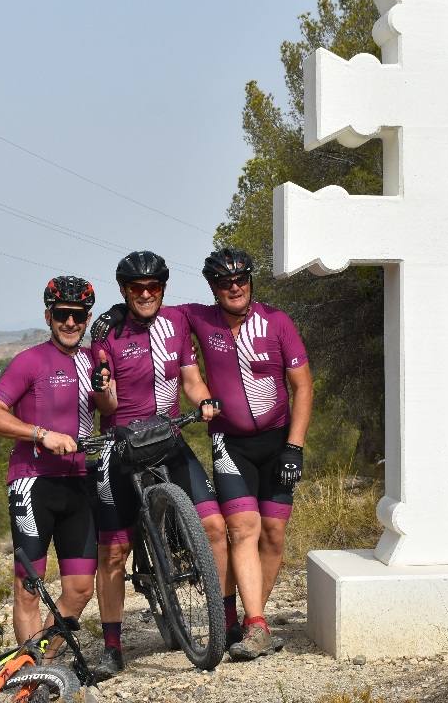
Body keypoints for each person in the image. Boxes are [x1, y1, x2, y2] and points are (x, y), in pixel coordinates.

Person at [87, 251, 223, 676]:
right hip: (120, 445)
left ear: (163, 289)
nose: (145, 294)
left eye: (153, 288)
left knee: (215, 526)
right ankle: (112, 646)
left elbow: (190, 377)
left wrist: (203, 401)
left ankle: (223, 619)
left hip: (169, 436)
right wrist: (103, 389)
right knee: (114, 552)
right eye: (136, 288)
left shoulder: (177, 323)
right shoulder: (107, 332)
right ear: (125, 291)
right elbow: (103, 401)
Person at [177, 248, 313, 661]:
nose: (234, 286)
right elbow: (151, 308)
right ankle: (251, 624)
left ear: (251, 280)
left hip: (278, 444)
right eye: (223, 281)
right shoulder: (199, 318)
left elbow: (303, 387)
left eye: (240, 278)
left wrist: (294, 447)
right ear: (212, 287)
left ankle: (254, 621)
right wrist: (113, 316)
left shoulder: (277, 322)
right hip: (229, 443)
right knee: (243, 529)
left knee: (273, 535)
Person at [0, 276, 100, 647]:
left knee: (79, 590)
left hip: (78, 480)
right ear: (48, 315)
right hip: (33, 482)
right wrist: (41, 434)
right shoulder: (29, 361)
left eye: (78, 316)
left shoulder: (94, 361)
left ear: (87, 318)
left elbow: (108, 408)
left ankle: (42, 662)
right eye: (62, 314)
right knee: (29, 588)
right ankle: (31, 674)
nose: (70, 323)